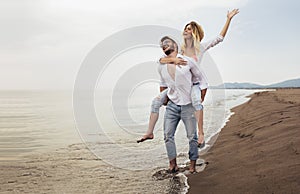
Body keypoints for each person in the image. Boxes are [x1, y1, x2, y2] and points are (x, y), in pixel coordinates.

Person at [137, 9, 239, 147]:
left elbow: (219, 38)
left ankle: (201, 134)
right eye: (185, 28)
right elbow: (162, 60)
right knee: (155, 102)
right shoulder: (179, 50)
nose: (185, 30)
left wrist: (229, 19)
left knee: (197, 101)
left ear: (194, 32)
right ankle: (149, 132)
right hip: (177, 86)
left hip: (194, 86)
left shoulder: (200, 48)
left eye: (189, 29)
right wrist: (173, 64)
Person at [158, 36, 206, 173]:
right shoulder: (162, 65)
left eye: (167, 42)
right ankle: (173, 165)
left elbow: (202, 80)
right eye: (162, 44)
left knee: (192, 136)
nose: (165, 45)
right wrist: (165, 99)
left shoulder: (188, 61)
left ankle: (192, 165)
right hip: (172, 105)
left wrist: (200, 98)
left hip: (188, 105)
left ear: (175, 45)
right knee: (168, 135)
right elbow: (162, 83)